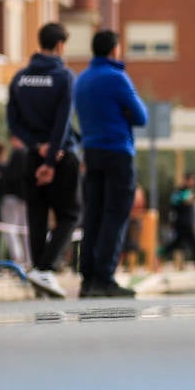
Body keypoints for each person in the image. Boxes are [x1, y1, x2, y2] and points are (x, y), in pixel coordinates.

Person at [6, 22, 80, 298]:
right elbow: (63, 120)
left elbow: (13, 123)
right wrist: (51, 158)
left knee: (36, 214)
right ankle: (45, 267)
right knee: (70, 215)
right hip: (60, 157)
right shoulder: (64, 77)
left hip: (32, 157)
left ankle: (39, 271)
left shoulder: (20, 78)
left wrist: (37, 147)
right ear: (60, 45)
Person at [73, 28, 148, 298]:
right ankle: (105, 278)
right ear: (114, 49)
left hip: (91, 152)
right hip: (117, 152)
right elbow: (141, 116)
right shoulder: (117, 78)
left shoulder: (82, 79)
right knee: (115, 214)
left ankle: (87, 279)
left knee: (93, 215)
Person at [0, 138, 30, 268]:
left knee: (11, 230)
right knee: (24, 230)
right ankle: (28, 260)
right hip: (24, 198)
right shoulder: (27, 153)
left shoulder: (17, 154)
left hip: (11, 198)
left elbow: (11, 176)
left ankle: (18, 261)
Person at [162, 173, 195, 269]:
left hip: (188, 223)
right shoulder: (180, 192)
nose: (192, 183)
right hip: (182, 223)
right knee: (191, 243)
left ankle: (160, 253)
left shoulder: (189, 192)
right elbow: (174, 203)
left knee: (179, 244)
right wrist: (185, 201)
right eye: (191, 180)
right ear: (186, 180)